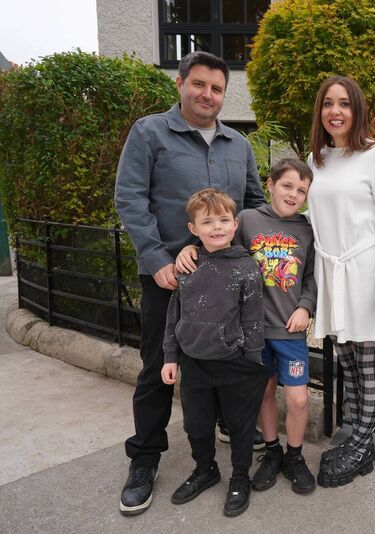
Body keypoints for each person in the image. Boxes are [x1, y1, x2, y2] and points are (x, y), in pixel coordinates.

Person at [114, 50, 265, 516]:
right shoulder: (150, 132)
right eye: (199, 84)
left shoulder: (238, 145)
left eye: (217, 88)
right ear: (180, 83)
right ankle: (144, 458)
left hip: (227, 277)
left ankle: (221, 425)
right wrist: (158, 258)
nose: (208, 94)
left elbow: (254, 203)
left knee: (229, 355)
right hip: (170, 278)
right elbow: (130, 197)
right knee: (159, 365)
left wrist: (264, 259)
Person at [176, 158, 318, 495]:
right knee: (264, 392)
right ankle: (271, 453)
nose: (293, 193)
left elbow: (312, 277)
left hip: (289, 329)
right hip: (251, 331)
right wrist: (190, 247)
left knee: (298, 400)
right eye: (287, 185)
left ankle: (294, 457)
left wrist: (306, 307)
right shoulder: (249, 220)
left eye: (301, 190)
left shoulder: (308, 229)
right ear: (270, 184)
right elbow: (217, 240)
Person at [306, 75, 375, 487]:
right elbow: (310, 221)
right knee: (345, 362)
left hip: (365, 278)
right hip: (333, 277)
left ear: (356, 109)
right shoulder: (316, 160)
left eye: (344, 103)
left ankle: (361, 442)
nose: (335, 111)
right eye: (328, 103)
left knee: (368, 366)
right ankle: (362, 445)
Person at [161, 188, 267, 517]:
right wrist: (170, 356)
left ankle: (239, 477)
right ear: (194, 229)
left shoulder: (247, 268)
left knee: (240, 426)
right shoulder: (188, 265)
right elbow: (174, 314)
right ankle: (205, 469)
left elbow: (253, 318)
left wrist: (252, 360)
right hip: (194, 362)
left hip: (234, 363)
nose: (217, 227)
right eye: (208, 222)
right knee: (197, 425)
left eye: (223, 220)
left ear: (235, 225)